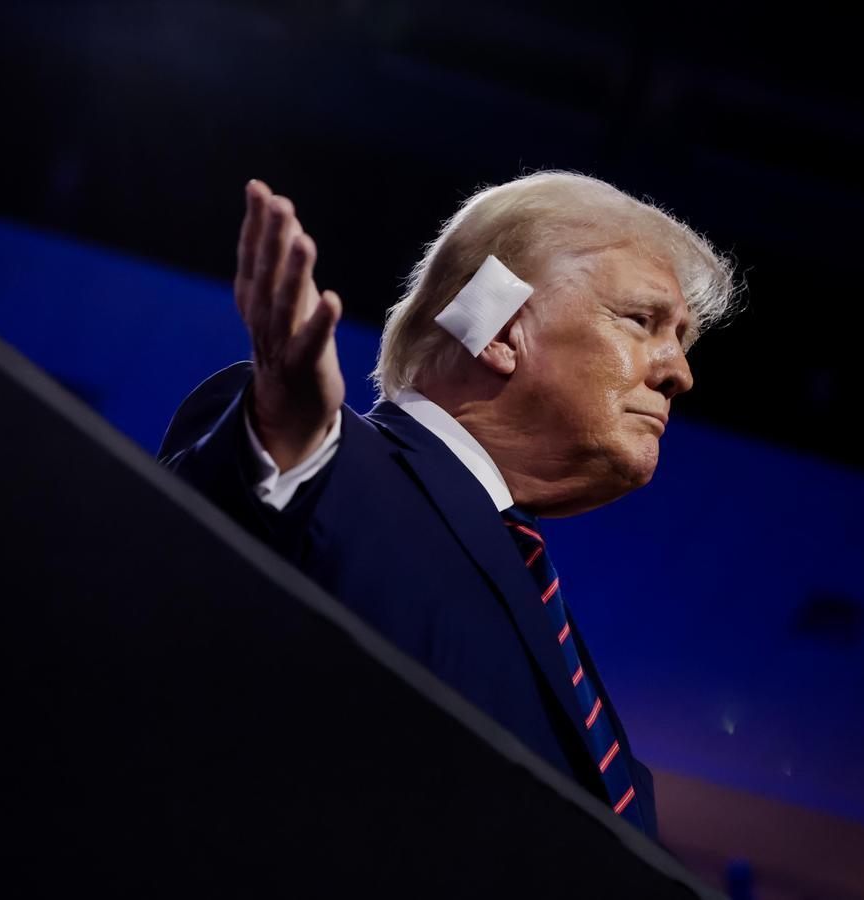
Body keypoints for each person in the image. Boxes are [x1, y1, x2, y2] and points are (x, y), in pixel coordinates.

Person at [158, 172, 737, 839]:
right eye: (642, 320)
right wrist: (281, 439)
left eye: (683, 340)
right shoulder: (320, 459)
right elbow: (165, 587)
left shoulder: (561, 650)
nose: (679, 372)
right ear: (499, 329)